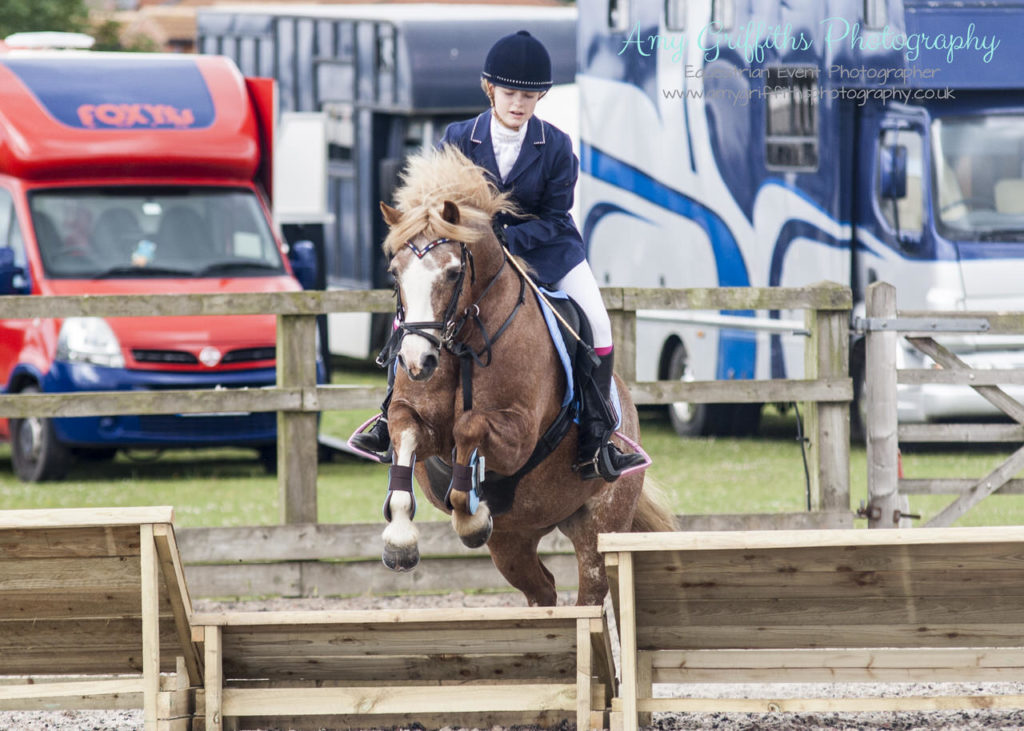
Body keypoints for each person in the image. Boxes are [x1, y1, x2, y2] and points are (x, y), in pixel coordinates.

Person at [353, 30, 644, 481]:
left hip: (547, 251)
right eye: (510, 93)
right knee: (411, 319)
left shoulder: (557, 145)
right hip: (471, 261)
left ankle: (598, 433)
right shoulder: (459, 137)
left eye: (529, 96)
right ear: (490, 88)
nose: (518, 104)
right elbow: (436, 207)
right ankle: (385, 414)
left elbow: (555, 215)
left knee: (598, 323)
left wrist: (504, 242)